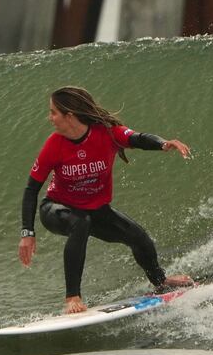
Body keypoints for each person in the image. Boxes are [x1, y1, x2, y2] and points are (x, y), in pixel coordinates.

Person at [18, 86, 194, 314]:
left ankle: (161, 281)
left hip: (95, 210)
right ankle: (72, 297)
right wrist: (27, 233)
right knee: (79, 223)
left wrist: (162, 144)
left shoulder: (107, 133)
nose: (49, 118)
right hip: (56, 209)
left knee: (139, 237)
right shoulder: (54, 145)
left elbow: (137, 138)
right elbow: (31, 188)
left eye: (53, 112)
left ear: (69, 116)